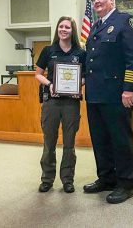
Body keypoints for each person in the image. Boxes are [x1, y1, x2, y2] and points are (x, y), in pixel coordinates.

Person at [83, 0, 133, 204]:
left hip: (116, 94)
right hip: (94, 95)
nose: (96, 1)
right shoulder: (96, 27)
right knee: (100, 140)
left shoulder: (126, 22)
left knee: (120, 140)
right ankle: (106, 178)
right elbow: (92, 61)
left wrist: (129, 88)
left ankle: (126, 183)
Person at [35, 16, 85, 193]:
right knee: (49, 142)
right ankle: (47, 178)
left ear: (73, 31)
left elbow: (84, 76)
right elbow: (38, 74)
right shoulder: (48, 50)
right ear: (57, 29)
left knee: (69, 143)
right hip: (52, 102)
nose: (63, 30)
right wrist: (50, 84)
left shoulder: (80, 53)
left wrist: (78, 84)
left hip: (71, 103)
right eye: (61, 27)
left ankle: (67, 180)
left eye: (67, 27)